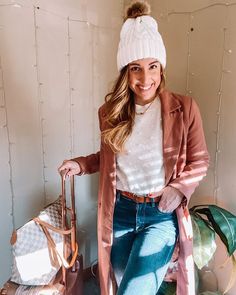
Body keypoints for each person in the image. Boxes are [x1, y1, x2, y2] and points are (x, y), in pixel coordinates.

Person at [58, 1, 209, 295]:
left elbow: (200, 159)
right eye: (136, 68)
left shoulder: (185, 108)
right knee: (118, 281)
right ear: (125, 72)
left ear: (161, 68)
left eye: (153, 66)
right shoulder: (110, 113)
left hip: (160, 215)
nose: (145, 78)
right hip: (120, 212)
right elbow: (111, 158)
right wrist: (82, 164)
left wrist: (179, 189)